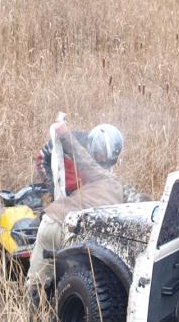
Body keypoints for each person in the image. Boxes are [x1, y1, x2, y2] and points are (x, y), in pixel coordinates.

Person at [25, 122, 125, 295]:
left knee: (38, 282)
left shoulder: (100, 176)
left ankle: (35, 305)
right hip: (77, 233)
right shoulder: (117, 187)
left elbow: (82, 159)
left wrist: (65, 134)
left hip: (56, 224)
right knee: (76, 281)